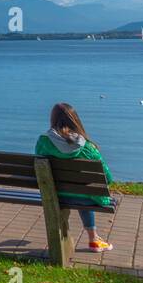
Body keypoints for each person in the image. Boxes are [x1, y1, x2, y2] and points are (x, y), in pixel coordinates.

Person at [36, 103, 114, 252]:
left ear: (53, 119)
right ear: (75, 120)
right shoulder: (88, 147)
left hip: (55, 195)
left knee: (80, 190)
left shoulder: (43, 141)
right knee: (85, 190)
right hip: (85, 197)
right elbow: (107, 178)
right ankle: (93, 239)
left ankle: (72, 238)